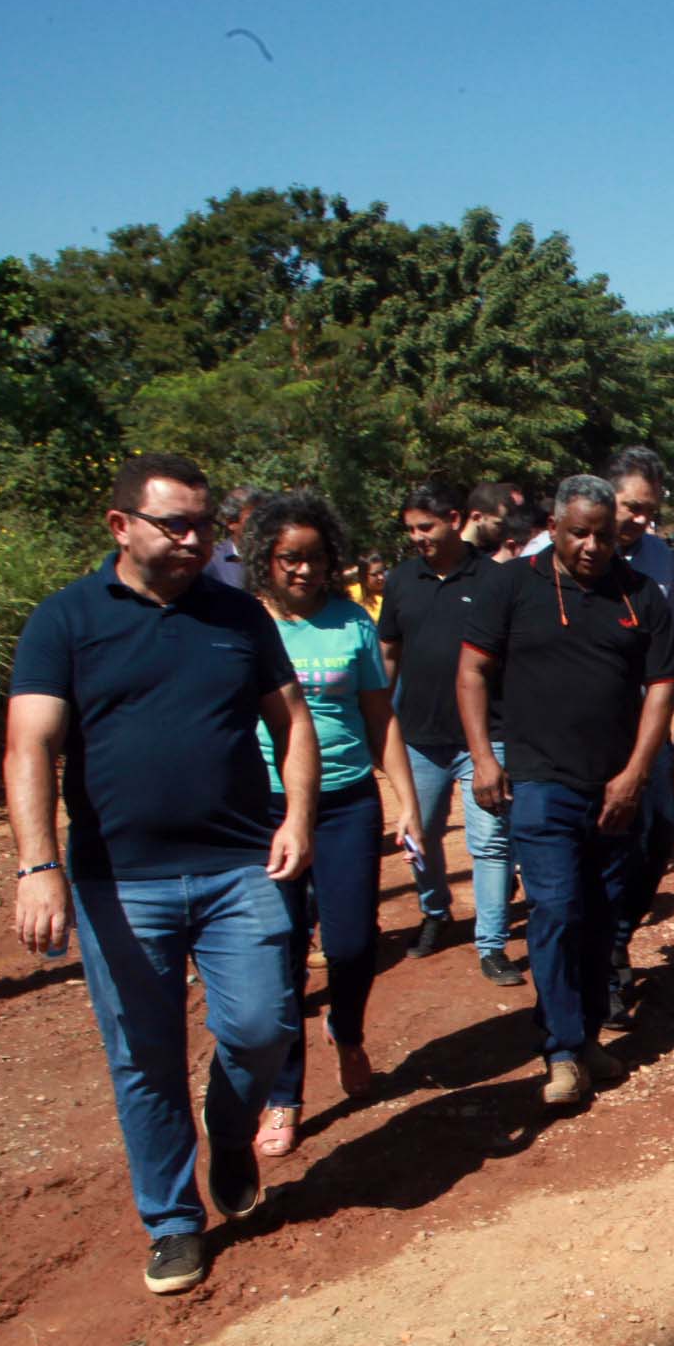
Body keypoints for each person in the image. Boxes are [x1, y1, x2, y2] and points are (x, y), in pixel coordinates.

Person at [5, 452, 317, 1297]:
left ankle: (229, 1122)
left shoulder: (237, 616)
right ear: (121, 526)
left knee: (261, 1026)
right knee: (144, 1057)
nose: (192, 539)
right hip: (120, 880)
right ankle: (173, 1222)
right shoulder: (65, 620)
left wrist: (296, 817)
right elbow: (29, 745)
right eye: (173, 524)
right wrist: (38, 865)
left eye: (203, 524)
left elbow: (291, 724)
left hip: (236, 865)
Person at [459, 474, 674, 1107]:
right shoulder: (509, 587)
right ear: (554, 527)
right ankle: (560, 1050)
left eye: (603, 535)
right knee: (557, 912)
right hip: (540, 783)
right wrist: (483, 757)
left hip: (616, 789)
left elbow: (662, 684)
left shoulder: (641, 595)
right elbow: (472, 672)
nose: (591, 546)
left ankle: (585, 1038)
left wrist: (638, 771)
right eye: (579, 533)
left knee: (601, 915)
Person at [241, 492, 420, 1159]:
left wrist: (407, 801)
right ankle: (284, 1094)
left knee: (349, 945)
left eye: (316, 558)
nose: (304, 571)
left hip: (346, 802)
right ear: (266, 558)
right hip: (263, 803)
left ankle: (347, 1029)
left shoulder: (353, 624)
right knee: (281, 953)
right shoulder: (247, 623)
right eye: (290, 558)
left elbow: (381, 718)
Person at [380, 480, 524, 984]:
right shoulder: (400, 581)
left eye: (427, 527)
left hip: (485, 736)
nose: (418, 537)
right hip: (419, 736)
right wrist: (378, 719)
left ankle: (492, 944)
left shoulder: (494, 580)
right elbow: (389, 654)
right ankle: (435, 912)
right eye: (411, 530)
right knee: (421, 835)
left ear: (455, 519)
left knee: (490, 843)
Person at [602, 444, 674, 1028]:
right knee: (608, 842)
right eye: (630, 507)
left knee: (659, 835)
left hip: (654, 721)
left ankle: (616, 934)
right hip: (592, 727)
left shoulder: (659, 556)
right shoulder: (559, 555)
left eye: (648, 510)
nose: (639, 520)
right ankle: (606, 963)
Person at [204, 486, 259, 590]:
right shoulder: (211, 563)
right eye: (254, 519)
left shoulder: (271, 560)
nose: (262, 525)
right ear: (231, 523)